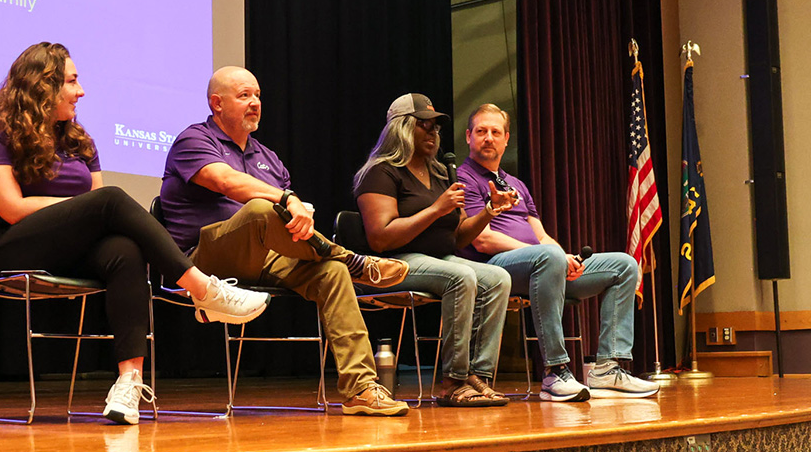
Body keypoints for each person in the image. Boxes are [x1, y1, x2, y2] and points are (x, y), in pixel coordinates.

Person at [0, 43, 270, 425]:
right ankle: (203, 289)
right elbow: (10, 209)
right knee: (110, 201)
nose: (81, 91)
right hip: (8, 249)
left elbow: (95, 215)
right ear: (42, 85)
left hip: (67, 248)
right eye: (72, 81)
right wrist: (81, 210)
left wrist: (86, 212)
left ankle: (129, 382)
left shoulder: (79, 141)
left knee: (124, 249)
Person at [159, 66, 412, 417]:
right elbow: (227, 183)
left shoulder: (268, 158)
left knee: (332, 272)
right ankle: (354, 259)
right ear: (216, 103)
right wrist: (287, 199)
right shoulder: (194, 140)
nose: (255, 103)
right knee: (262, 209)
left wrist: (293, 207)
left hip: (265, 256)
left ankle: (360, 389)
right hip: (202, 261)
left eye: (258, 96)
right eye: (244, 95)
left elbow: (288, 218)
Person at [457, 104, 659, 401]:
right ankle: (555, 372)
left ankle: (606, 368)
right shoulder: (464, 178)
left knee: (625, 264)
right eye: (481, 131)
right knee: (548, 256)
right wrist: (548, 256)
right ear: (468, 137)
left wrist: (567, 259)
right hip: (496, 269)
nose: (488, 137)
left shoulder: (516, 185)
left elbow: (542, 235)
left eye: (495, 132)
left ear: (506, 138)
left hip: (543, 266)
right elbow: (483, 240)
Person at [354, 94, 516, 407]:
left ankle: (478, 377)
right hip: (392, 263)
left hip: (439, 259)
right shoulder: (381, 172)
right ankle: (453, 382)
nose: (433, 133)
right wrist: (436, 209)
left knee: (498, 278)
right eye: (424, 125)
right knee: (461, 275)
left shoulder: (442, 174)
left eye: (436, 127)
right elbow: (381, 239)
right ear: (401, 129)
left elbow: (457, 239)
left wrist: (489, 211)